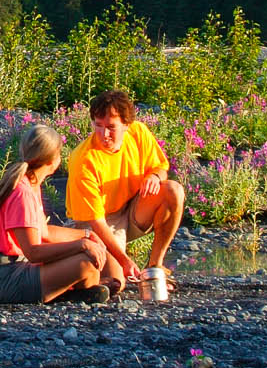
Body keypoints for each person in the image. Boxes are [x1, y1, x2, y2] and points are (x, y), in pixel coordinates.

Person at [0, 123, 124, 306]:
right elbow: (33, 252)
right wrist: (80, 246)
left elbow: (44, 233)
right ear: (51, 160)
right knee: (85, 264)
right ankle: (67, 292)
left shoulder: (30, 183)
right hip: (4, 278)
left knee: (91, 264)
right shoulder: (22, 193)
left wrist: (87, 236)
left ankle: (70, 291)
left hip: (17, 268)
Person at [65, 90, 185, 286]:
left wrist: (155, 176)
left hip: (132, 206)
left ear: (126, 125)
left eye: (111, 127)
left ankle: (156, 267)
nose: (104, 134)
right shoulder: (84, 160)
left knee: (173, 190)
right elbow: (96, 221)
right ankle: (82, 275)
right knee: (116, 281)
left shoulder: (138, 133)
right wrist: (124, 260)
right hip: (99, 222)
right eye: (98, 126)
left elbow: (161, 167)